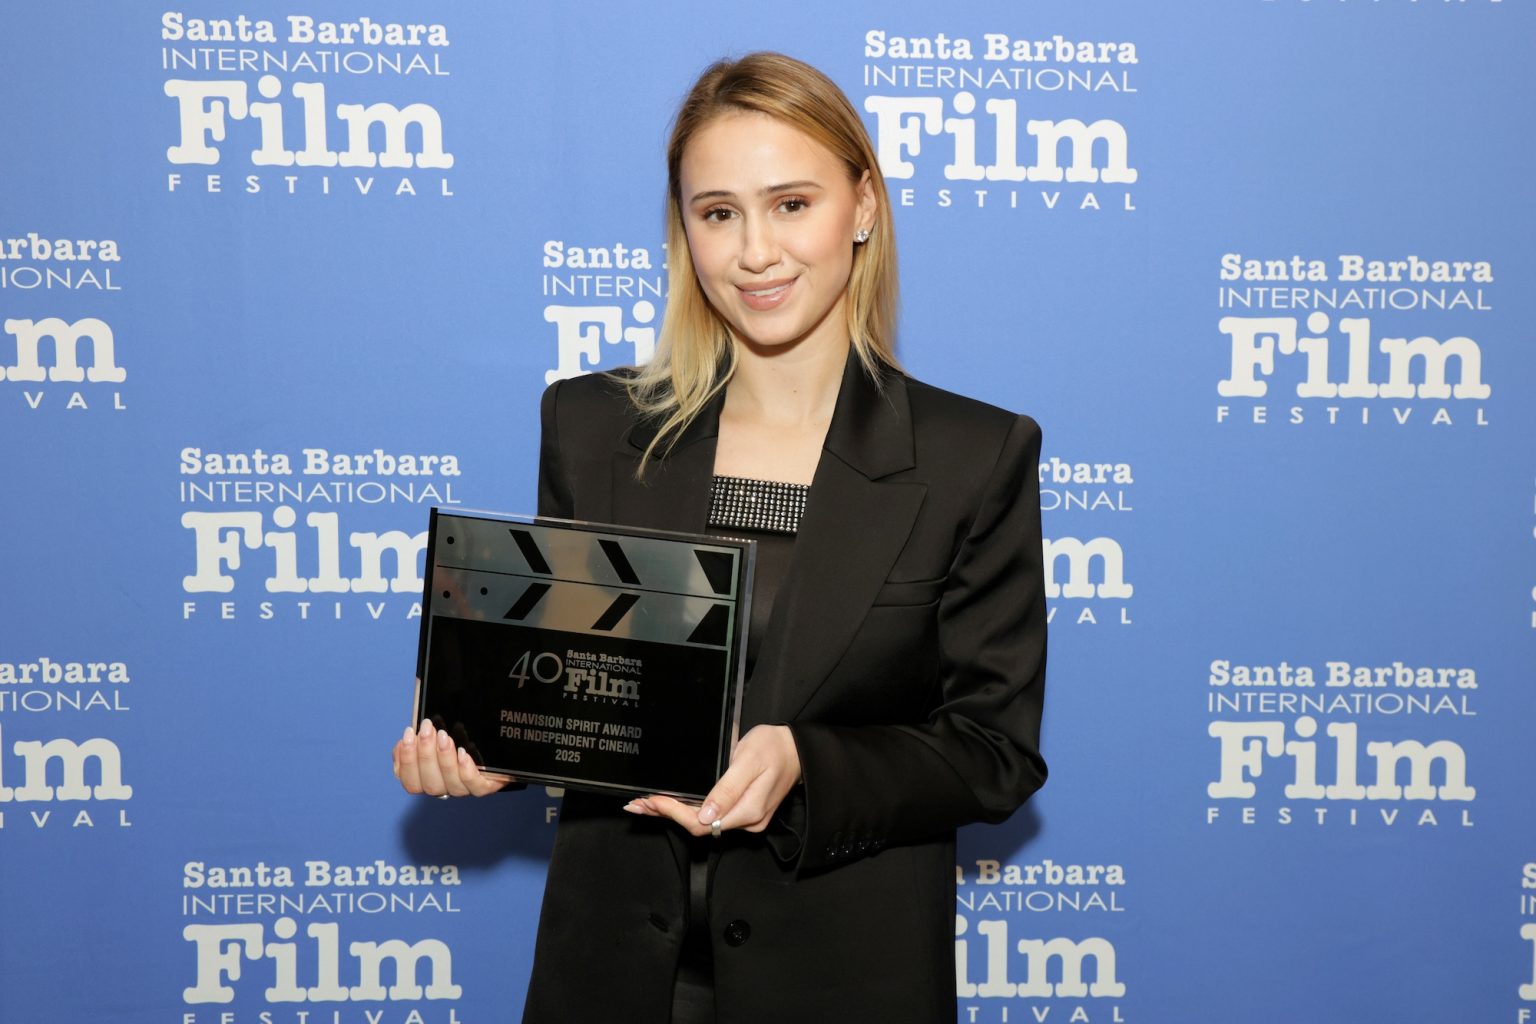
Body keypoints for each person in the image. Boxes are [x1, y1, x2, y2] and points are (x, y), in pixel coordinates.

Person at [393, 52, 1048, 1023]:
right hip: (611, 981)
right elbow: (571, 685)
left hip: (843, 986)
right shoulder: (590, 426)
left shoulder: (972, 456)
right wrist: (483, 742)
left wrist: (804, 764)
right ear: (684, 228)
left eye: (791, 203)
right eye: (718, 212)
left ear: (862, 205)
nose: (755, 252)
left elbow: (993, 750)